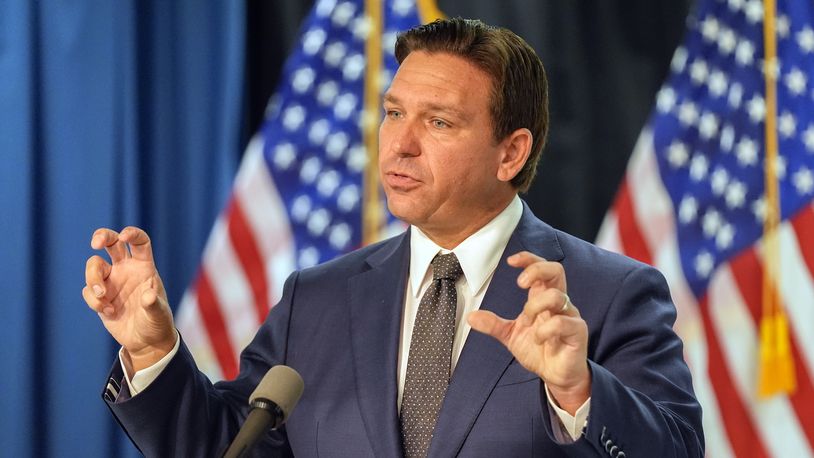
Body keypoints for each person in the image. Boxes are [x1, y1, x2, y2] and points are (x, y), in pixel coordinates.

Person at [84, 18, 703, 457]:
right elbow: (231, 446)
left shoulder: (608, 293)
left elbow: (676, 450)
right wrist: (152, 350)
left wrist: (578, 391)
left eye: (439, 121)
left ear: (511, 152)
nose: (400, 143)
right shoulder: (319, 299)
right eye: (393, 112)